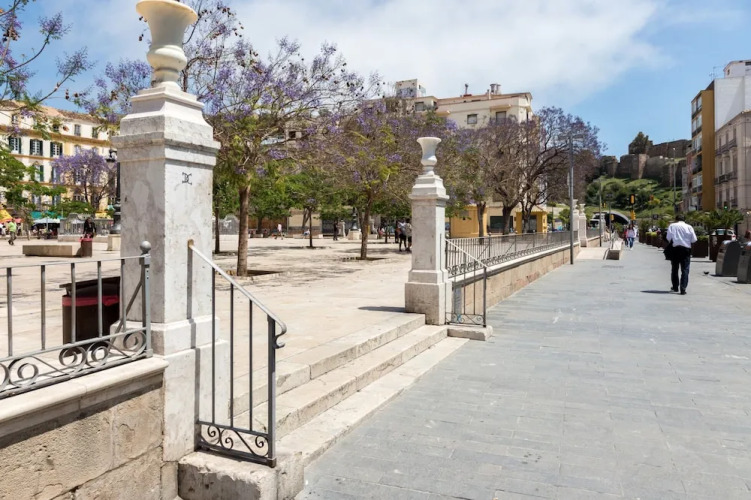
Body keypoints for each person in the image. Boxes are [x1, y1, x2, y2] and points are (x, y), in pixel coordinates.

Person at [666, 213, 697, 295]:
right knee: (685, 269)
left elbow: (668, 238)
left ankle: (675, 286)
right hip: (686, 249)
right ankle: (683, 288)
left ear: (676, 219)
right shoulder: (689, 227)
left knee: (674, 268)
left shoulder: (672, 226)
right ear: (684, 220)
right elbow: (694, 239)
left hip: (675, 249)